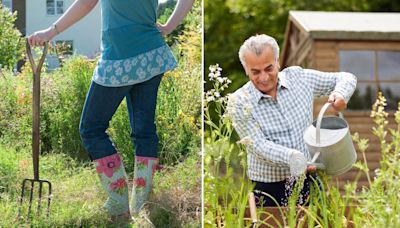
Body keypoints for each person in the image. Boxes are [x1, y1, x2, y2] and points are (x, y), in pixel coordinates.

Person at [27, 0, 194, 221]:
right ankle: (141, 204)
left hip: (119, 57)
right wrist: (169, 27)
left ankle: (119, 203)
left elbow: (87, 3)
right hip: (152, 54)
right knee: (144, 131)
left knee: (91, 128)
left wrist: (50, 31)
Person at [227, 34, 357, 207]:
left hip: (307, 180)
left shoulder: (299, 79)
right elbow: (257, 145)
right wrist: (293, 157)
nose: (264, 77)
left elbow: (346, 77)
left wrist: (341, 94)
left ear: (278, 62)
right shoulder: (239, 101)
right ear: (246, 70)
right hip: (268, 188)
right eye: (255, 72)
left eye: (269, 68)